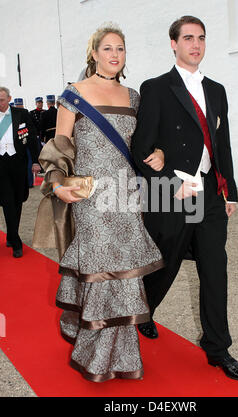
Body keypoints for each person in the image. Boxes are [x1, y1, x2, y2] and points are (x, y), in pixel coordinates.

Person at [34, 24, 164, 382]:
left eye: (120, 49)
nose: (114, 55)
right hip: (90, 196)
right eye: (107, 48)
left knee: (123, 274)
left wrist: (160, 153)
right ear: (93, 53)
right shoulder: (73, 95)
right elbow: (60, 146)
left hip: (125, 195)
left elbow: (143, 144)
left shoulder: (134, 97)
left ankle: (121, 355)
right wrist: (56, 183)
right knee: (99, 269)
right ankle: (96, 351)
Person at [131, 16, 238, 381]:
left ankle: (218, 347)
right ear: (174, 44)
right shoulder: (156, 88)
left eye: (201, 38)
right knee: (165, 261)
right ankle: (143, 309)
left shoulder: (217, 90)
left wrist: (230, 191)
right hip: (175, 191)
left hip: (210, 192)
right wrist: (167, 181)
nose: (195, 45)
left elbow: (222, 144)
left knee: (215, 267)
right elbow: (141, 147)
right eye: (187, 38)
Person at [0, 87, 40, 257]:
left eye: (1, 99)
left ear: (9, 98)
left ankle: (10, 234)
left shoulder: (21, 114)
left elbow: (31, 138)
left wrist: (37, 161)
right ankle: (16, 242)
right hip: (0, 164)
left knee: (18, 199)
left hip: (18, 162)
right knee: (8, 200)